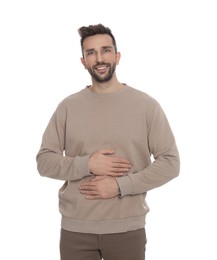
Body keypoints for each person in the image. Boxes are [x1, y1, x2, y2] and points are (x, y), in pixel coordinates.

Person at [36, 23, 180, 260]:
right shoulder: (68, 107)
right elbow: (44, 161)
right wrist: (87, 165)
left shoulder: (146, 106)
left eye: (105, 50)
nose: (99, 58)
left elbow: (171, 162)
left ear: (117, 56)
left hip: (127, 230)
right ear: (83, 61)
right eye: (91, 53)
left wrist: (120, 186)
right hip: (76, 231)